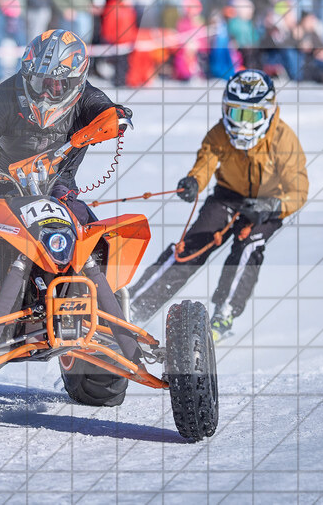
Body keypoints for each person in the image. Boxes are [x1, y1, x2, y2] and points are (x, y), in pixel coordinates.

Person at [0, 29, 137, 364]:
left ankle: (99, 311)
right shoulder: (7, 95)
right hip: (3, 182)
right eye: (41, 81)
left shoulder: (86, 96)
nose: (48, 91)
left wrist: (115, 118)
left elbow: (106, 110)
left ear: (77, 82)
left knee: (91, 232)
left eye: (58, 85)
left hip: (59, 186)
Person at [129, 69, 308, 339]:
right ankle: (134, 307)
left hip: (269, 205)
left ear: (268, 112)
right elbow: (206, 163)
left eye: (252, 115)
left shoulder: (284, 140)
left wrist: (270, 207)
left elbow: (299, 190)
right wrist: (193, 181)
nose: (243, 124)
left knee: (249, 246)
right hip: (227, 196)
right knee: (190, 248)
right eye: (237, 113)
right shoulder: (219, 134)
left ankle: (224, 314)